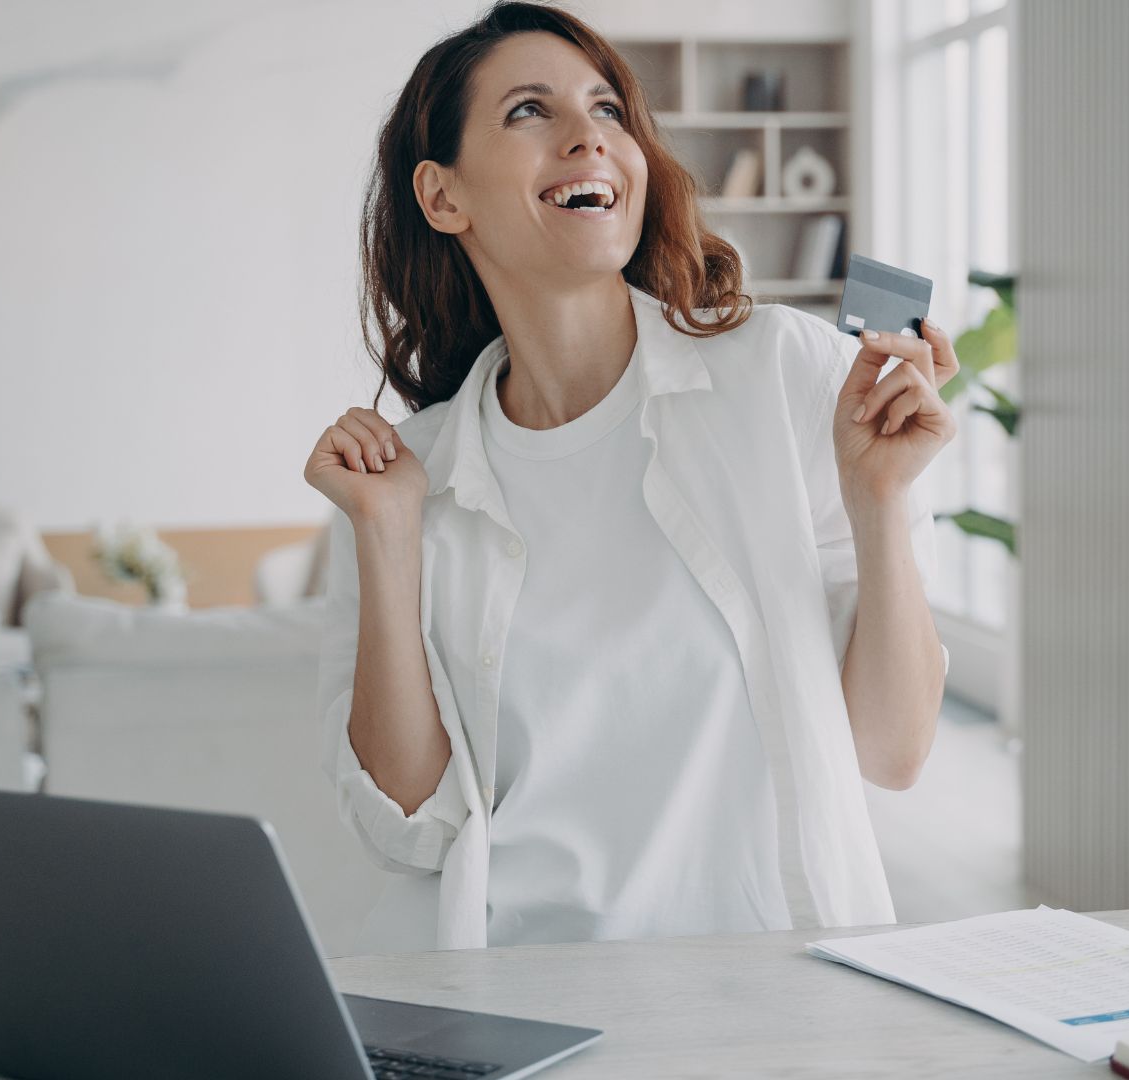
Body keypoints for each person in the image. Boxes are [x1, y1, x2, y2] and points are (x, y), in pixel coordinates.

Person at [303, 1, 955, 953]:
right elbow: (407, 826)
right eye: (530, 111)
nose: (588, 139)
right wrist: (390, 540)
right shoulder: (408, 476)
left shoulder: (784, 373)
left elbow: (893, 754)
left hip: (776, 995)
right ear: (444, 198)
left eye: (609, 110)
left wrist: (880, 504)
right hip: (515, 990)